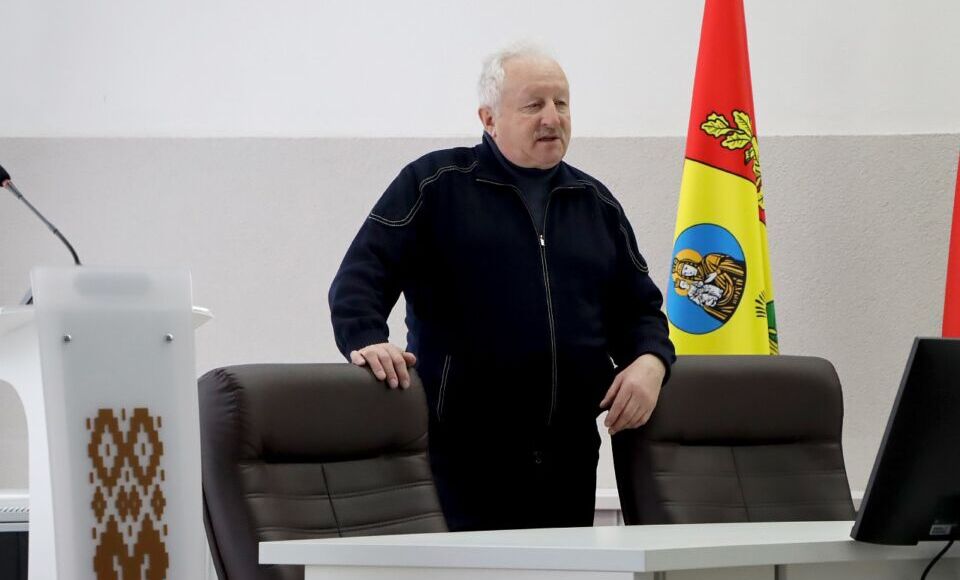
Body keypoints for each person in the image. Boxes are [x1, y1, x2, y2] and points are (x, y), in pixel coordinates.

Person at [329, 45, 675, 531]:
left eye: (561, 103)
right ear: (488, 118)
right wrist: (366, 338)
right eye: (534, 105)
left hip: (569, 460)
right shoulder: (434, 184)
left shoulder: (595, 204)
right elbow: (361, 274)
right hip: (460, 458)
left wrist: (651, 361)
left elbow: (640, 311)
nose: (552, 118)